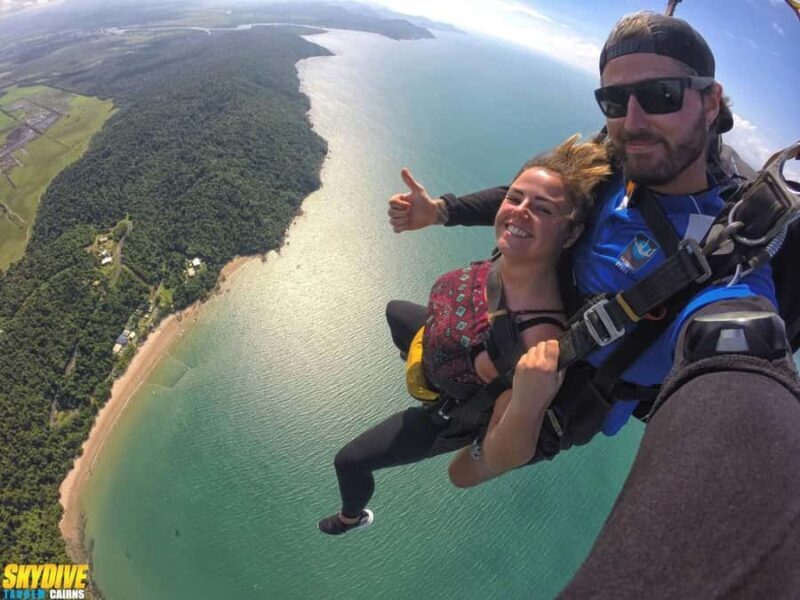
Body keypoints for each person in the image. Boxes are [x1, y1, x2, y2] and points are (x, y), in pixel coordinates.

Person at [389, 10, 800, 591]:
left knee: (462, 472)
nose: (631, 120)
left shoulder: (729, 253)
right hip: (515, 326)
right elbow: (532, 197)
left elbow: (737, 367)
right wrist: (445, 211)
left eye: (659, 94)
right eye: (613, 99)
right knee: (406, 323)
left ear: (711, 103)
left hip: (570, 395)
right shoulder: (616, 167)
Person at [317, 135, 611, 535]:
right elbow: (511, 211)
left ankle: (352, 518)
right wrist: (438, 210)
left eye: (542, 209)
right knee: (395, 312)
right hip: (451, 343)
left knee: (349, 461)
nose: (520, 212)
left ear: (571, 234)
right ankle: (433, 371)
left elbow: (481, 465)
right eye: (516, 198)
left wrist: (527, 402)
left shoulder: (535, 340)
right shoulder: (510, 259)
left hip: (449, 413)